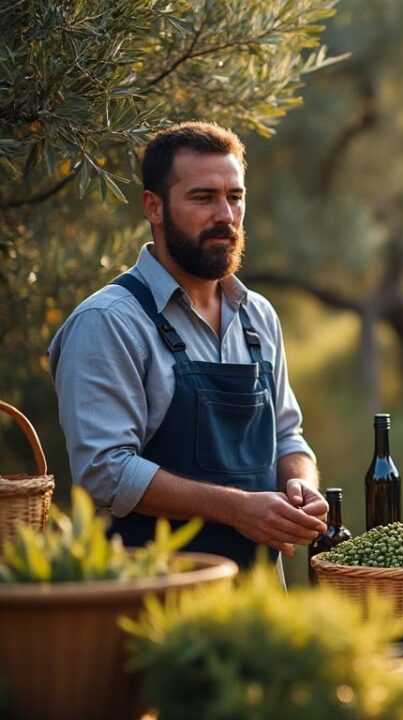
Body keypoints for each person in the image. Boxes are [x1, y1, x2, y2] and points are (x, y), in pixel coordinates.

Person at [49, 121, 326, 571]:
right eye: (203, 198)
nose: (225, 215)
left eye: (235, 197)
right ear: (154, 207)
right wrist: (237, 508)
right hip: (150, 604)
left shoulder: (259, 317)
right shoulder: (108, 322)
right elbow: (106, 473)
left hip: (259, 604)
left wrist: (301, 485)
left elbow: (287, 437)